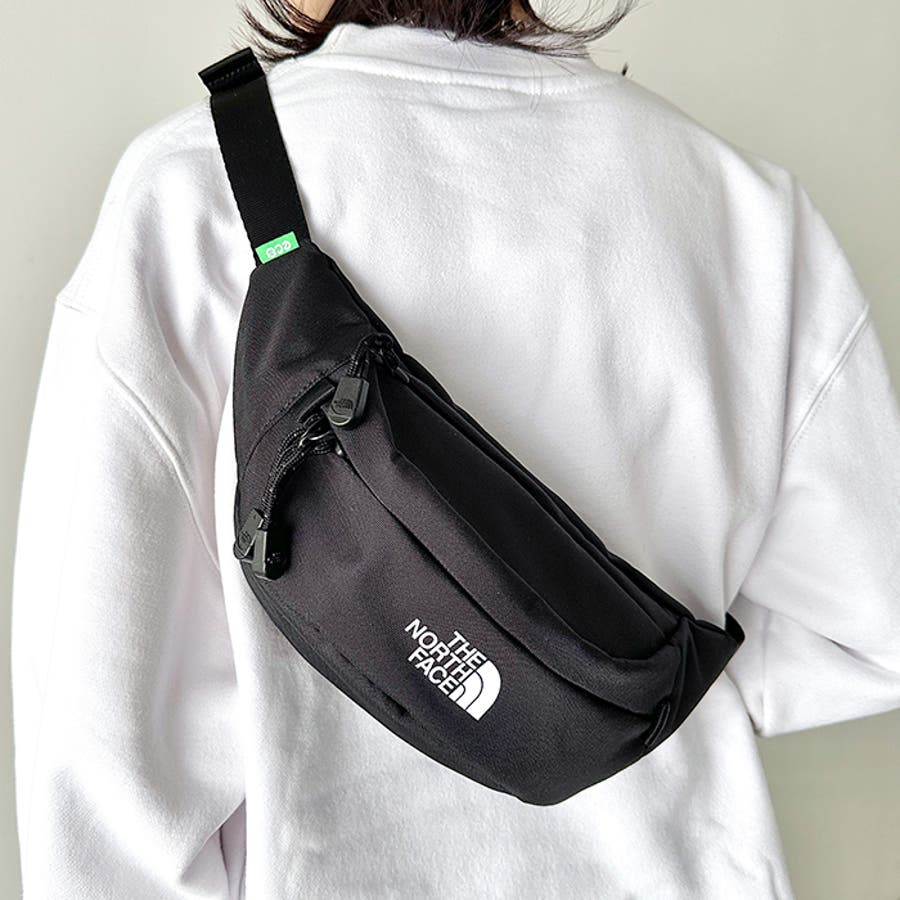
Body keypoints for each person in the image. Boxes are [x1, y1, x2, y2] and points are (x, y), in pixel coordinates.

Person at [10, 1, 900, 897]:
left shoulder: (185, 198)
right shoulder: (741, 210)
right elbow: (873, 626)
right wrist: (631, 678)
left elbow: (102, 785)